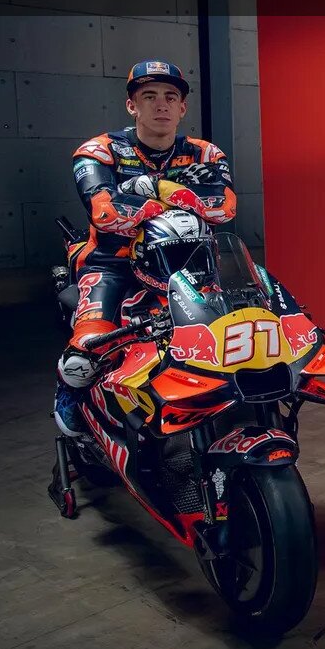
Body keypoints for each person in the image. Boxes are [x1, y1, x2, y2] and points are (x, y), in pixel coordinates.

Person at [53, 59, 237, 437]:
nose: (161, 104)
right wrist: (185, 196)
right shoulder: (99, 151)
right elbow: (106, 214)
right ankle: (70, 393)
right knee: (84, 354)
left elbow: (223, 208)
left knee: (230, 340)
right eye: (149, 96)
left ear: (182, 107)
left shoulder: (205, 153)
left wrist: (153, 189)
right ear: (131, 105)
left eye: (170, 96)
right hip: (112, 264)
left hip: (190, 265)